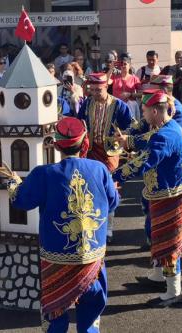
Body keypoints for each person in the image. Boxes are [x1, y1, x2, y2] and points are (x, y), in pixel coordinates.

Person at [0, 117, 118, 333]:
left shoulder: (43, 173)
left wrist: (13, 182)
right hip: (91, 253)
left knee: (55, 310)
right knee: (91, 307)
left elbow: (20, 200)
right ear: (85, 143)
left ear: (55, 145)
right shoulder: (99, 169)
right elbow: (113, 202)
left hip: (57, 255)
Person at [113, 90, 182, 307]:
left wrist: (113, 176)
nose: (143, 114)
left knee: (169, 243)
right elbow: (146, 140)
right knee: (155, 233)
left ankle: (174, 291)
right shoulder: (164, 127)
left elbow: (143, 162)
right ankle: (159, 277)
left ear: (156, 111)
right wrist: (128, 141)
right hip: (163, 191)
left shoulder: (165, 134)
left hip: (173, 194)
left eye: (145, 110)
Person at [78, 72, 133, 242]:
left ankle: (108, 229)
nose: (94, 93)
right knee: (90, 188)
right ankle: (91, 225)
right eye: (92, 90)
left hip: (110, 153)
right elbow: (79, 123)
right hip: (91, 151)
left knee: (109, 188)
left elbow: (131, 128)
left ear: (106, 87)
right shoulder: (87, 103)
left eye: (98, 90)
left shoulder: (120, 106)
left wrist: (122, 136)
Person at [110, 53, 141, 119]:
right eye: (121, 64)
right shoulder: (114, 77)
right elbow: (105, 83)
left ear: (129, 65)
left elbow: (141, 94)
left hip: (130, 107)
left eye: (125, 64)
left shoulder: (134, 78)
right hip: (116, 106)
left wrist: (130, 94)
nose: (123, 66)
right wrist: (111, 68)